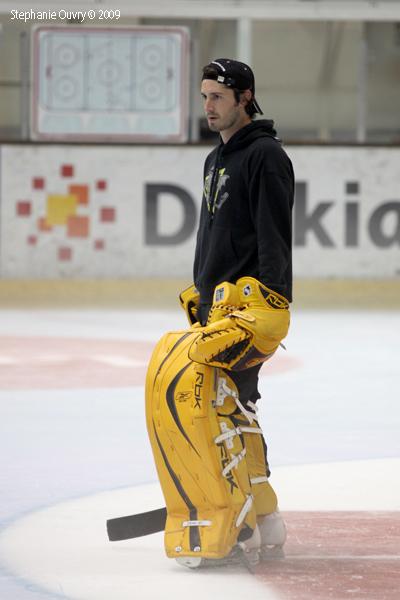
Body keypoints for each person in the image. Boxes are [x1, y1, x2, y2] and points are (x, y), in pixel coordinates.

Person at [145, 58, 294, 570]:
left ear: (244, 97)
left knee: (210, 408)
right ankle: (259, 517)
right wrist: (204, 296)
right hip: (217, 311)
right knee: (232, 408)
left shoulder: (265, 156)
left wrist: (268, 300)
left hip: (248, 312)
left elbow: (274, 239)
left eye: (217, 97)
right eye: (204, 96)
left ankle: (236, 516)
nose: (207, 106)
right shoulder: (217, 159)